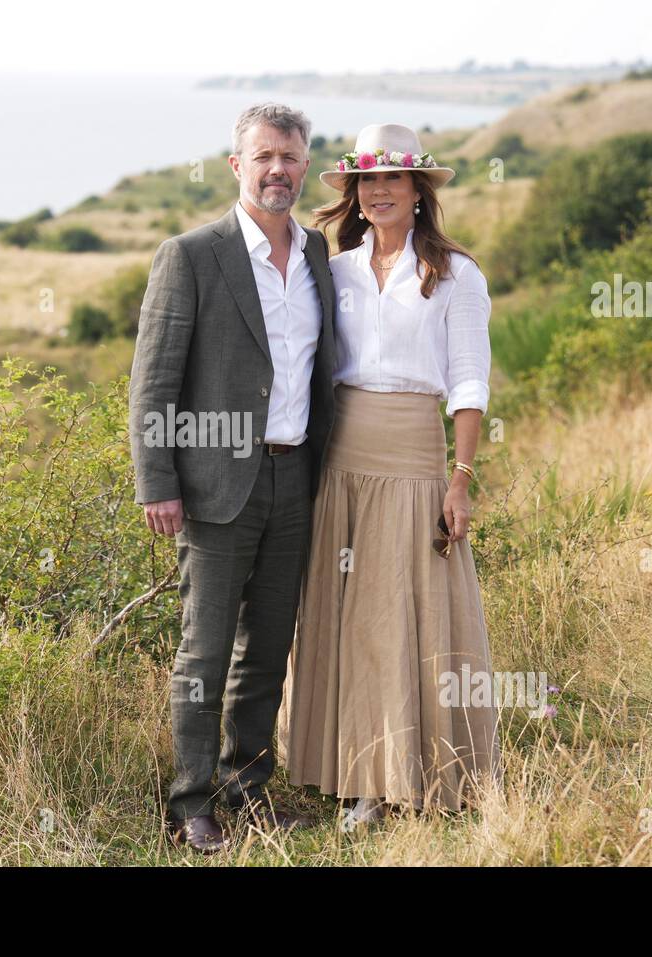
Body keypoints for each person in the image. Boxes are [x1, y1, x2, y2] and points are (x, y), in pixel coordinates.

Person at [278, 123, 503, 829]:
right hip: (340, 456)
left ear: (417, 191)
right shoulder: (334, 270)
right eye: (365, 181)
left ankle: (411, 771)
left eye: (392, 179)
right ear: (352, 193)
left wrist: (460, 478)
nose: (377, 191)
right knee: (347, 614)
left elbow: (468, 381)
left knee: (402, 611)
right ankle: (356, 778)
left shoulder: (455, 274)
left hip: (412, 457)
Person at [128, 103, 337, 853]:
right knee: (204, 650)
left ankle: (249, 787)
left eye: (290, 157)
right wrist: (157, 480)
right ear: (236, 165)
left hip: (295, 479)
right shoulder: (191, 255)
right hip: (214, 485)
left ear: (305, 166)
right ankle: (191, 800)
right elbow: (152, 382)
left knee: (269, 645)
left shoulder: (316, 256)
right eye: (263, 157)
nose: (277, 169)